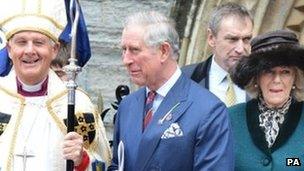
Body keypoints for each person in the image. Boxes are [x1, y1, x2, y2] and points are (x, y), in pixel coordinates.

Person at [108, 11, 234, 171]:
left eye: (134, 50)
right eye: (123, 50)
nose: (126, 60)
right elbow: (118, 165)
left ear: (163, 51)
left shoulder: (209, 111)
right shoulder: (127, 106)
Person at [0, 0, 111, 170]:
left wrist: (83, 161)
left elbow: (103, 165)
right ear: (9, 49)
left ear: (55, 49)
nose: (29, 50)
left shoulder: (79, 105)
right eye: (21, 42)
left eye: (38, 42)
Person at [229, 29, 304, 170]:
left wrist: (292, 162)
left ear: (295, 77)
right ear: (256, 77)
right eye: (268, 71)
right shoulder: (230, 118)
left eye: (285, 72)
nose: (277, 80)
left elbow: (296, 162)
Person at [182, 2, 253, 107]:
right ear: (211, 38)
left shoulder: (262, 80)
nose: (240, 49)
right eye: (232, 39)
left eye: (246, 39)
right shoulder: (185, 78)